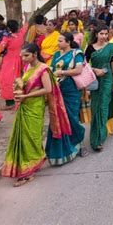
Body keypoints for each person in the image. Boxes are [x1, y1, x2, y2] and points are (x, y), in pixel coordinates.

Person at [0, 43, 71, 186]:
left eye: (26, 55)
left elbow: (48, 89)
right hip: (25, 106)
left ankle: (28, 172)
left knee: (31, 137)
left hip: (34, 108)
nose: (23, 58)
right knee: (22, 137)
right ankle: (28, 165)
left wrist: (26, 96)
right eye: (22, 56)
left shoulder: (43, 69)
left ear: (35, 54)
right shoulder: (27, 67)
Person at [46, 32, 88, 164]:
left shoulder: (77, 54)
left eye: (60, 41)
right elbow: (52, 69)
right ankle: (62, 151)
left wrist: (62, 72)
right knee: (58, 118)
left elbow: (78, 70)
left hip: (71, 91)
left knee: (72, 118)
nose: (58, 43)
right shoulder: (57, 55)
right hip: (57, 90)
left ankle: (78, 142)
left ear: (68, 42)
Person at [85, 25, 113, 151]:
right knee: (95, 107)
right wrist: (95, 70)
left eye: (105, 34)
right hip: (95, 80)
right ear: (96, 34)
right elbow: (84, 65)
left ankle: (100, 139)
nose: (104, 36)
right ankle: (95, 136)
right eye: (101, 34)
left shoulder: (111, 47)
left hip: (108, 79)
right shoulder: (90, 48)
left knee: (103, 107)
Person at [0, 19, 27, 109]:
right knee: (18, 79)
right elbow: (25, 27)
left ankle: (10, 103)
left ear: (8, 28)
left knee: (7, 80)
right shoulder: (21, 34)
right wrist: (26, 18)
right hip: (20, 59)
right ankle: (18, 100)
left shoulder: (7, 37)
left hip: (9, 61)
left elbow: (1, 49)